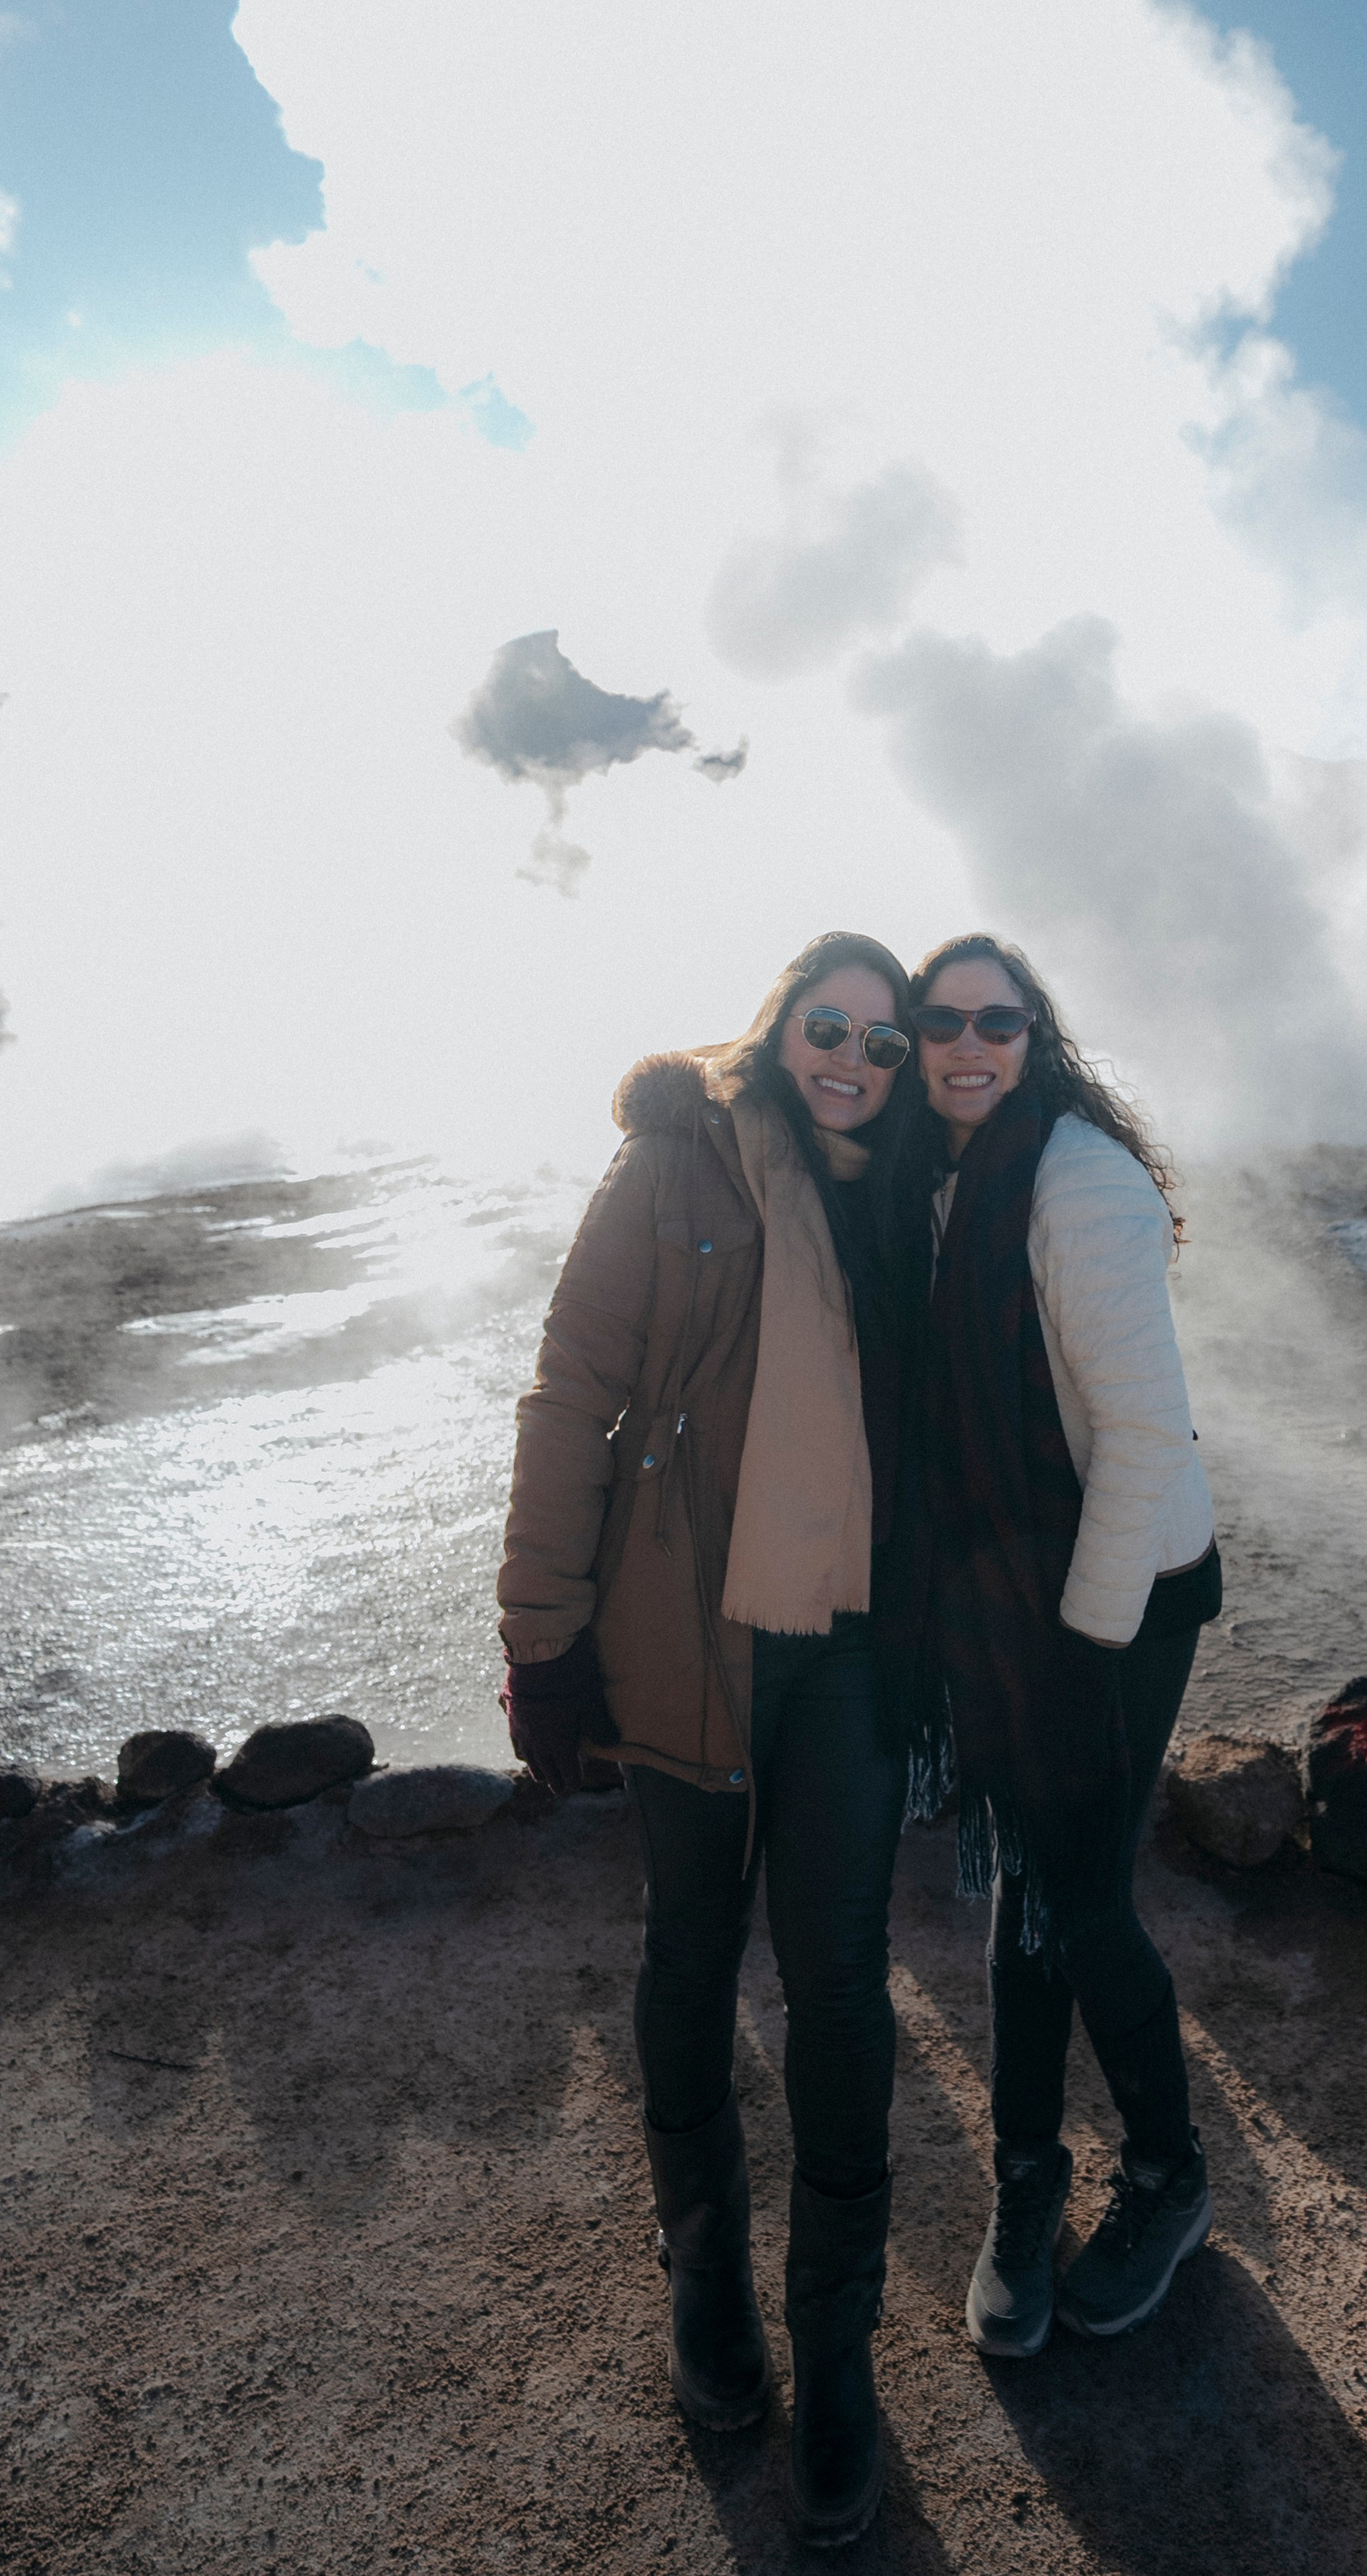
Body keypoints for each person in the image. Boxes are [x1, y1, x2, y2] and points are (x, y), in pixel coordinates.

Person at [495, 931, 919, 2550]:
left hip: (851, 1655)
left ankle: (836, 2340)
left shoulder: (903, 1195)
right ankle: (707, 2280)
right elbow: (570, 1391)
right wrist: (542, 1638)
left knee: (841, 1983)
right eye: (831, 1028)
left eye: (881, 1045)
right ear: (779, 1024)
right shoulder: (676, 1159)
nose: (854, 1062)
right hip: (685, 1637)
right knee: (687, 1951)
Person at [901, 932, 1221, 2360]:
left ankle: (1169, 2175)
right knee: (1027, 1891)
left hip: (1114, 1602)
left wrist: (1080, 1652)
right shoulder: (944, 1179)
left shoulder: (1075, 1182)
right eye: (941, 1021)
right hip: (1005, 1593)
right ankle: (1026, 2178)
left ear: (1036, 1036)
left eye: (998, 1019)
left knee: (1079, 1900)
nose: (968, 1043)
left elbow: (1145, 1436)